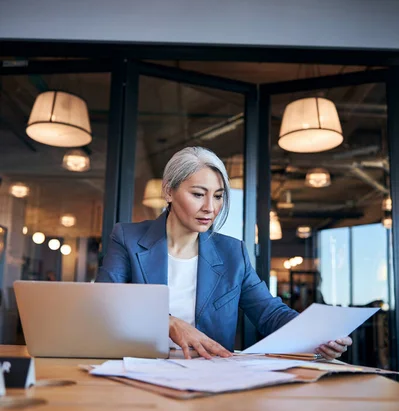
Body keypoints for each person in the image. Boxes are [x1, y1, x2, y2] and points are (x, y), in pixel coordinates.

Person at [96, 147, 351, 361]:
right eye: (198, 194)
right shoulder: (127, 239)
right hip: (139, 370)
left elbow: (270, 313)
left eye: (218, 196)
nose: (210, 208)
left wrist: (318, 337)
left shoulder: (232, 253)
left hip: (211, 375)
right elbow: (105, 306)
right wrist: (168, 323)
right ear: (168, 192)